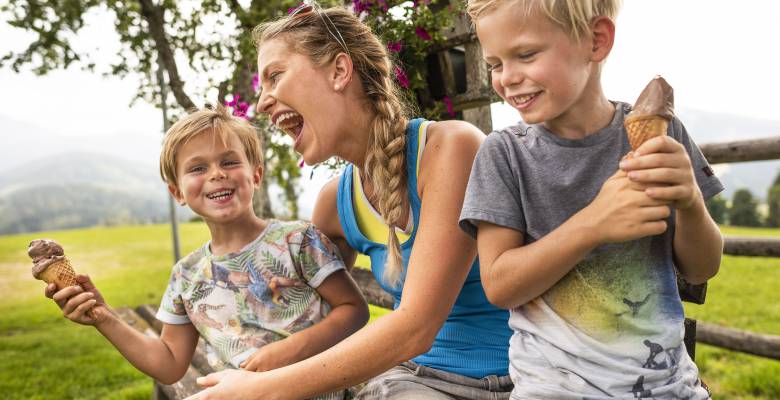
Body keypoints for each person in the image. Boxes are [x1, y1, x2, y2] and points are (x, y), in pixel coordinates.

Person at [188, 4, 513, 400]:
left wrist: (262, 390)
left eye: (275, 76)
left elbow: (417, 327)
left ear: (339, 71)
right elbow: (309, 310)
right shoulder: (335, 203)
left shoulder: (449, 150)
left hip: (501, 383)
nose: (263, 103)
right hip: (407, 382)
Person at [459, 0, 723, 398]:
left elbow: (703, 267)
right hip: (554, 389)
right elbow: (499, 285)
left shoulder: (662, 138)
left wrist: (690, 203)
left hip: (670, 386)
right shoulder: (504, 155)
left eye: (526, 55)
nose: (507, 78)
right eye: (495, 64)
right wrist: (592, 224)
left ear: (596, 41)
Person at [44, 106, 369, 400]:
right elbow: (169, 363)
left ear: (255, 175)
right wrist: (103, 316)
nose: (216, 174)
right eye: (198, 168)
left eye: (229, 161)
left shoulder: (298, 241)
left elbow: (353, 310)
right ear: (178, 192)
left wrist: (285, 352)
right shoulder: (187, 275)